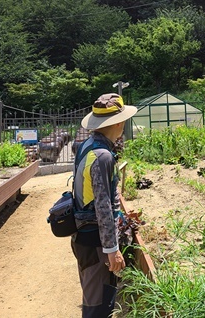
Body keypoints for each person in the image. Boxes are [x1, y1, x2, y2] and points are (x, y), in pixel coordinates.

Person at [71, 93, 137, 317]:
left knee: (94, 298)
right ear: (118, 122)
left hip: (84, 237)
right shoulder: (102, 157)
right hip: (96, 243)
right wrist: (112, 250)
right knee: (97, 308)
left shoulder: (86, 145)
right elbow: (103, 207)